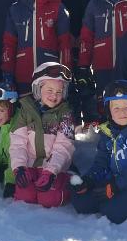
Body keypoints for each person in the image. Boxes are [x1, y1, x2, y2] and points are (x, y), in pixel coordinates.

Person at [71, 79, 127, 223]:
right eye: (116, 108)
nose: (122, 113)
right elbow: (101, 161)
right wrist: (89, 179)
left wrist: (116, 186)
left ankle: (118, 200)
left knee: (112, 211)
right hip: (113, 181)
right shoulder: (107, 132)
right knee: (81, 202)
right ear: (108, 111)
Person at [9, 62, 76, 208]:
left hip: (54, 169)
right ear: (38, 90)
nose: (54, 95)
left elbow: (63, 147)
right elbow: (17, 142)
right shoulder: (25, 110)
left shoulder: (65, 114)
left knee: (49, 200)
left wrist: (51, 172)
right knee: (24, 197)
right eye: (50, 90)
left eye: (59, 92)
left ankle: (69, 181)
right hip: (30, 165)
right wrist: (19, 167)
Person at [1, 0, 72, 93]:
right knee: (27, 110)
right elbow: (9, 43)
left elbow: (64, 44)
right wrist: (7, 72)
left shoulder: (57, 8)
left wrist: (65, 71)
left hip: (50, 75)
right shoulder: (16, 9)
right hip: (23, 74)